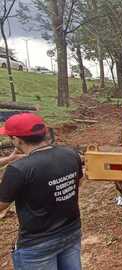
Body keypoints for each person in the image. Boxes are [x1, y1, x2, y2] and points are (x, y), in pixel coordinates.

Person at [0, 113, 84, 270]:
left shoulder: (18, 169)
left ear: (17, 140)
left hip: (37, 245)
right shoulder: (70, 154)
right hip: (71, 232)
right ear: (44, 133)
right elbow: (77, 183)